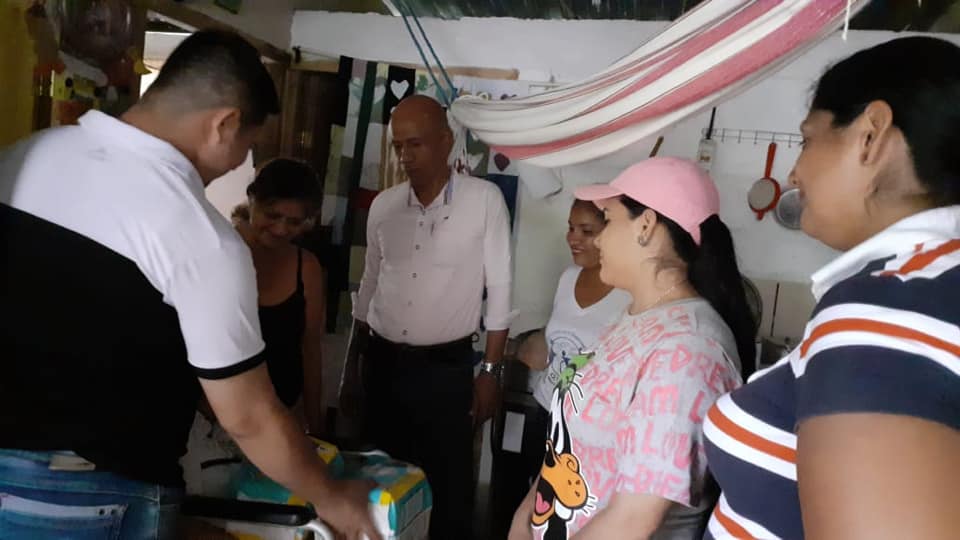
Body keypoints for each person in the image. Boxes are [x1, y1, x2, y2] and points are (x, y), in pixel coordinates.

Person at [0, 30, 379, 540]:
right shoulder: (198, 233)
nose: (240, 163)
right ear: (225, 124)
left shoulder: (22, 157)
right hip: (90, 497)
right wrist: (333, 496)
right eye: (247, 146)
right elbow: (248, 416)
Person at [703, 36, 960, 540]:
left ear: (871, 135)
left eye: (806, 141)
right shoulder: (935, 288)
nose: (794, 172)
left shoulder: (890, 309)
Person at [509, 157, 757, 540]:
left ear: (645, 226)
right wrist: (524, 517)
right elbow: (570, 446)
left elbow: (632, 521)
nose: (598, 239)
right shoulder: (632, 317)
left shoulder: (687, 351)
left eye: (607, 220)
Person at [342, 94, 513, 539]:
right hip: (382, 364)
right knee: (380, 483)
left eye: (415, 144)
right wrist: (351, 368)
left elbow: (500, 289)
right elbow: (369, 285)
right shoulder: (384, 206)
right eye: (398, 146)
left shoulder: (484, 201)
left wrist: (490, 372)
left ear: (446, 141)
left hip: (445, 371)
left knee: (447, 488)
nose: (404, 156)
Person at [517, 198, 631, 477]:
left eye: (587, 231)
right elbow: (558, 338)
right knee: (533, 492)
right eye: (571, 228)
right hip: (546, 408)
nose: (573, 238)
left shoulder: (628, 292)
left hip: (588, 425)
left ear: (613, 233)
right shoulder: (568, 278)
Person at [239, 158, 326, 433]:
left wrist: (315, 426)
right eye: (272, 215)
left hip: (282, 416)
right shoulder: (222, 252)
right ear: (252, 201)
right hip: (217, 415)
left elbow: (310, 350)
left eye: (294, 222)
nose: (281, 229)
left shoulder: (307, 267)